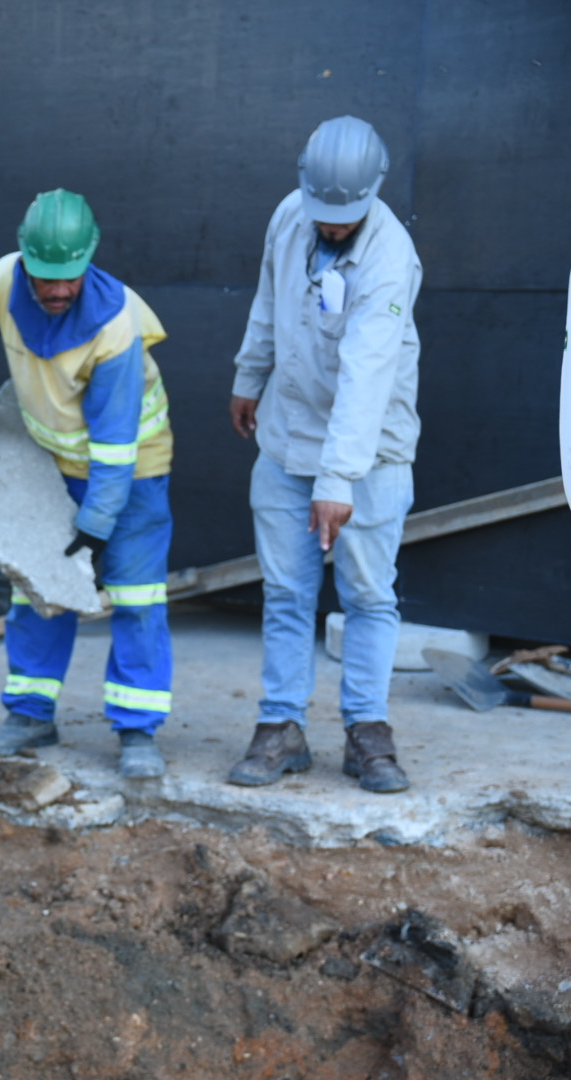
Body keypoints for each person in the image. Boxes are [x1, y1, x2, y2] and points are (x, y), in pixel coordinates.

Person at [0, 188, 174, 779]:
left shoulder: (117, 324)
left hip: (133, 469)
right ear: (24, 261)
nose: (59, 290)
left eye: (70, 277)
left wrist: (95, 525)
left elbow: (116, 447)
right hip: (53, 462)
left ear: (88, 261)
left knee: (137, 596)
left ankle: (137, 730)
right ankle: (30, 715)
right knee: (38, 591)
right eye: (47, 278)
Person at [226, 115, 422, 794]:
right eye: (323, 213)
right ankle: (281, 726)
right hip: (287, 437)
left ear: (375, 189)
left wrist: (337, 477)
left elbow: (368, 375)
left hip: (369, 455)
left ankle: (367, 731)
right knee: (285, 591)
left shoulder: (390, 258)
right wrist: (250, 376)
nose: (332, 225)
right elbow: (268, 299)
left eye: (346, 216)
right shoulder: (289, 216)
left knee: (368, 594)